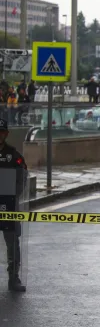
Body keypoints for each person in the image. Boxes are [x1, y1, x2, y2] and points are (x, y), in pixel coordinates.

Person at [0, 119, 27, 292]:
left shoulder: (13, 155)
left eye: (1, 132)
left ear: (6, 134)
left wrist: (13, 194)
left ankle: (13, 277)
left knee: (12, 241)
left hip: (8, 204)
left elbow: (22, 177)